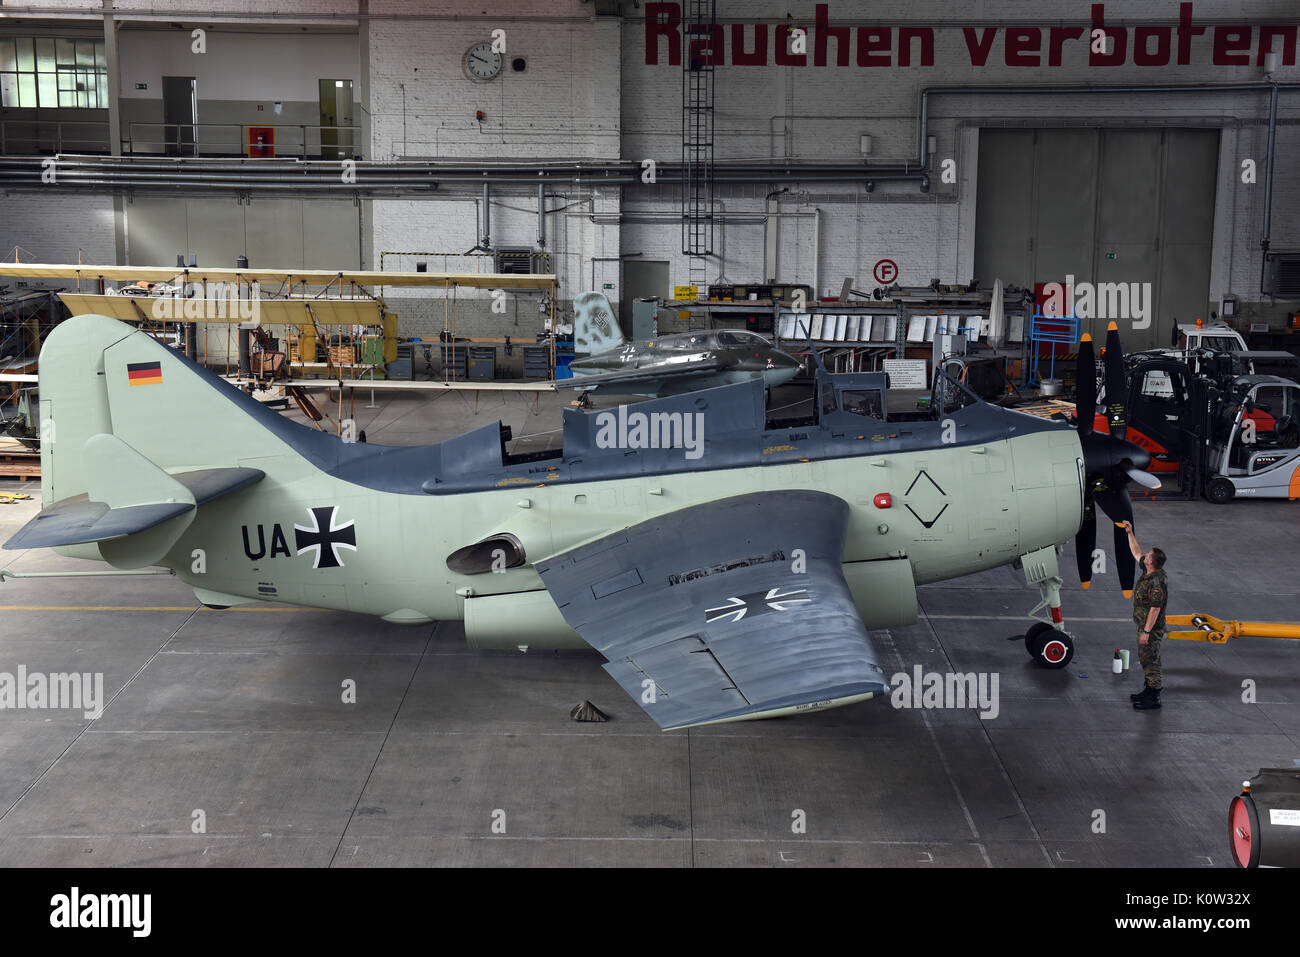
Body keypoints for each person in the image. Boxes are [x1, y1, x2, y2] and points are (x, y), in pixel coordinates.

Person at [1122, 521, 1168, 710]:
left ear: (1151, 562)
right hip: (1143, 625)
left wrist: (1146, 632)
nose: (1145, 556)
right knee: (1145, 659)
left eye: (1148, 556)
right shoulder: (1149, 570)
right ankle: (1148, 691)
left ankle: (1154, 697)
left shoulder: (1156, 582)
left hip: (1151, 629)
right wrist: (1130, 533)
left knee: (1151, 660)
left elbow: (1155, 609)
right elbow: (1136, 552)